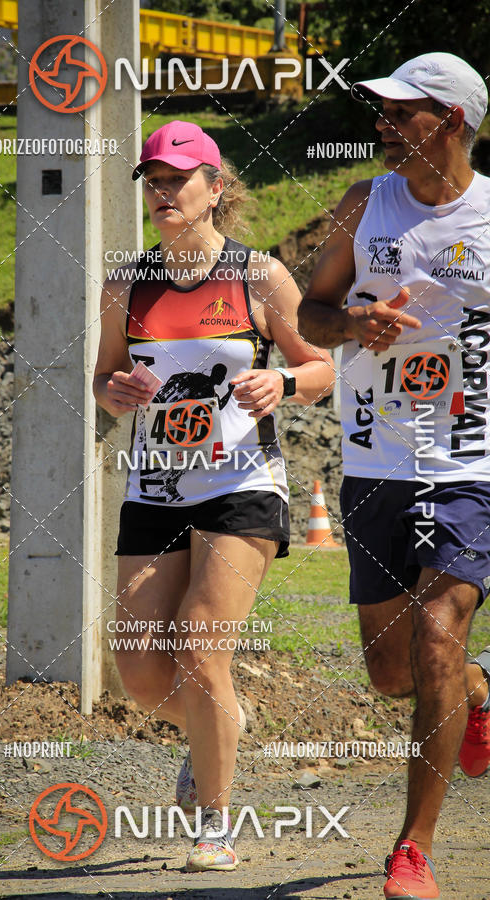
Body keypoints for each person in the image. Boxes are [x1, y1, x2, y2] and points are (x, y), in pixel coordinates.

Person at [93, 120, 335, 871]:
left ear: (215, 188)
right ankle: (221, 718)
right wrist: (119, 391)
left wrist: (283, 381)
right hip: (156, 489)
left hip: (241, 483)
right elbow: (101, 385)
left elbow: (324, 367)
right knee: (139, 673)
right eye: (154, 182)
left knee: (201, 645)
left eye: (177, 180)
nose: (163, 193)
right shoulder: (124, 284)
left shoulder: (259, 278)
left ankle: (215, 826)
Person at [298, 52, 490, 900]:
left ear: (449, 121)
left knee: (441, 631)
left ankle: (413, 848)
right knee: (392, 668)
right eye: (379, 110)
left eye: (399, 112)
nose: (380, 124)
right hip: (376, 456)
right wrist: (353, 322)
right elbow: (309, 311)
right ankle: (479, 697)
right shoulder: (362, 204)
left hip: (472, 461)